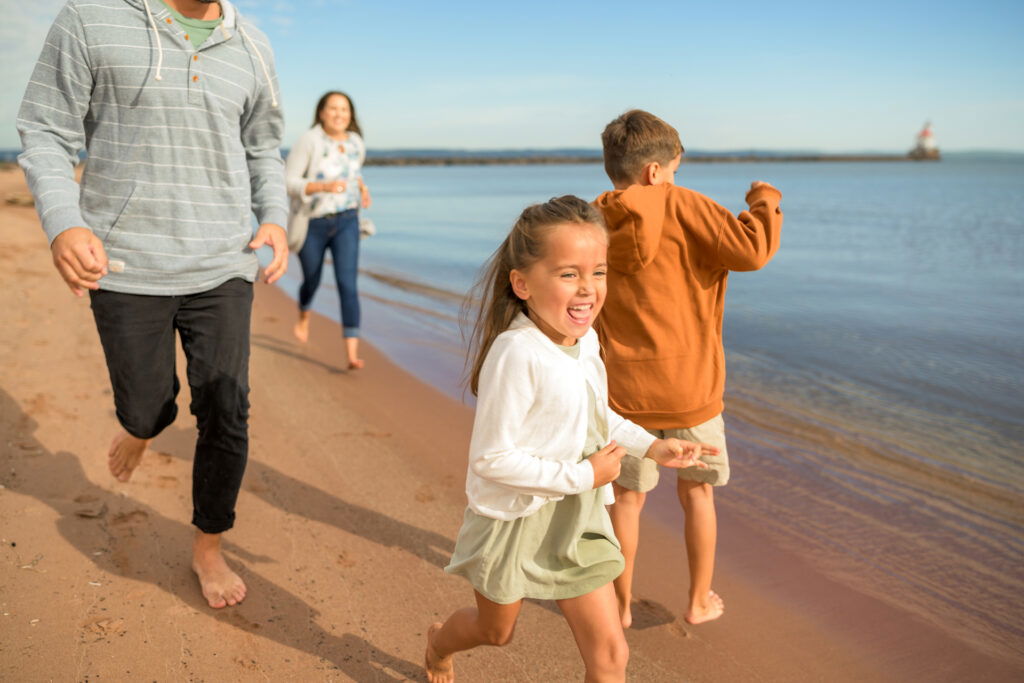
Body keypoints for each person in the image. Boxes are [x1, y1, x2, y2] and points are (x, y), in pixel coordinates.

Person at [17, 0, 289, 609]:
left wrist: (274, 217)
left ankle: (208, 547)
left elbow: (263, 147)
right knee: (146, 409)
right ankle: (143, 427)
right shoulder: (88, 19)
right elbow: (44, 129)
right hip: (124, 263)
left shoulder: (253, 45)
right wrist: (63, 223)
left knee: (226, 406)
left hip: (221, 262)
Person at [423, 196, 718, 682]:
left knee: (610, 657)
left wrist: (651, 445)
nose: (588, 290)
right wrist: (584, 473)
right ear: (522, 284)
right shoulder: (516, 353)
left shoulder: (586, 340)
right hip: (515, 517)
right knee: (497, 631)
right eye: (568, 274)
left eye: (598, 272)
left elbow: (592, 414)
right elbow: (491, 459)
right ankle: (438, 643)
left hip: (578, 515)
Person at [592, 110, 783, 628]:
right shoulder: (686, 205)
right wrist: (764, 202)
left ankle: (621, 606)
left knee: (627, 500)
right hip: (691, 388)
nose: (674, 178)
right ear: (655, 171)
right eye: (673, 169)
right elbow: (754, 250)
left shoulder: (593, 218)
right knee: (696, 493)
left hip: (623, 392)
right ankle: (698, 602)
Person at [285, 91, 371, 369]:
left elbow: (354, 174)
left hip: (347, 220)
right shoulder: (309, 141)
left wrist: (363, 189)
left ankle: (351, 353)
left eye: (344, 109)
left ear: (351, 115)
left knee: (348, 284)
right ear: (321, 112)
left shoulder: (356, 142)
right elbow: (289, 182)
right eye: (333, 108)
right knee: (312, 279)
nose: (339, 114)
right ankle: (303, 314)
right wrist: (321, 187)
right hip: (313, 222)